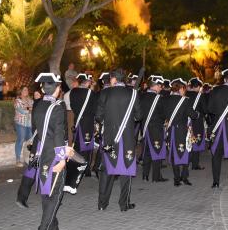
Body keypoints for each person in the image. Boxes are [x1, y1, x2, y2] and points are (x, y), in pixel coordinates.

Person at [28, 73, 72, 230]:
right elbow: (59, 136)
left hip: (42, 153)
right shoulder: (58, 107)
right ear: (57, 89)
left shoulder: (38, 105)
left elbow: (37, 131)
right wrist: (62, 160)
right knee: (55, 196)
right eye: (60, 86)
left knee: (47, 193)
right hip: (54, 155)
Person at [95, 68, 143, 211]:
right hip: (127, 137)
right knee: (126, 170)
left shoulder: (104, 93)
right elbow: (139, 116)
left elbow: (98, 116)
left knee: (106, 170)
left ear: (114, 79)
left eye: (110, 78)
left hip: (109, 138)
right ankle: (124, 204)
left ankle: (102, 204)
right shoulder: (133, 93)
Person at [164, 78, 200, 186]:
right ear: (180, 89)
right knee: (187, 152)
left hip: (171, 130)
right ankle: (184, 177)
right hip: (183, 131)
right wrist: (197, 114)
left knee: (174, 153)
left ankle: (176, 179)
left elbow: (163, 114)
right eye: (184, 88)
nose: (185, 91)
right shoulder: (185, 100)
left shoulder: (166, 99)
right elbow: (192, 114)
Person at [140, 75, 168, 182]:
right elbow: (163, 114)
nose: (161, 88)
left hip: (145, 127)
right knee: (157, 151)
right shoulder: (158, 98)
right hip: (156, 128)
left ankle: (145, 175)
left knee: (147, 151)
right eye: (160, 86)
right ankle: (156, 177)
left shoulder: (141, 96)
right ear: (156, 86)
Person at [68, 74, 97, 177]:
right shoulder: (91, 93)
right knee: (87, 147)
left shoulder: (73, 92)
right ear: (88, 82)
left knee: (77, 145)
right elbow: (95, 109)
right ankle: (86, 170)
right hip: (87, 123)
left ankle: (75, 168)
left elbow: (72, 106)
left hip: (77, 121)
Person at [185, 77, 206, 170]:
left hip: (185, 121)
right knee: (196, 141)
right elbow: (205, 109)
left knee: (187, 140)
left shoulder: (185, 94)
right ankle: (195, 164)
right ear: (197, 86)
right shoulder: (199, 96)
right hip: (196, 122)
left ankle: (186, 161)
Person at [14, 86, 33, 166]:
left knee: (30, 142)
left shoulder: (30, 100)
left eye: (27, 89)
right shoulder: (17, 101)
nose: (26, 91)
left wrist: (28, 108)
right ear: (20, 91)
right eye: (24, 90)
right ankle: (18, 160)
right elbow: (22, 111)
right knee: (20, 140)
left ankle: (28, 158)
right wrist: (30, 109)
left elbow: (34, 109)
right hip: (20, 124)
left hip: (30, 124)